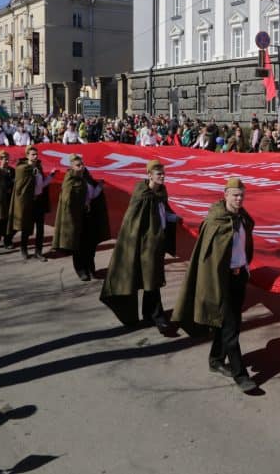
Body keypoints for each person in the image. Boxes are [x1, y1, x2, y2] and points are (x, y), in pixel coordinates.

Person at [174, 178, 256, 393]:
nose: (239, 199)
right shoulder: (216, 220)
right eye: (235, 195)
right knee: (231, 327)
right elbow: (209, 256)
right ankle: (241, 375)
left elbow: (244, 245)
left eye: (241, 195)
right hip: (221, 279)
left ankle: (216, 359)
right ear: (225, 194)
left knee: (231, 321)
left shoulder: (243, 219)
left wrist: (245, 266)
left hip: (239, 277)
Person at [101, 160, 177, 331]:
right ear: (149, 175)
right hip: (145, 245)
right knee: (152, 279)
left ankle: (149, 314)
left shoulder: (161, 193)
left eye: (163, 173)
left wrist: (174, 218)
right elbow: (133, 222)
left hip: (158, 243)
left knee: (153, 278)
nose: (162, 176)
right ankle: (158, 317)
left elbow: (164, 213)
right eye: (159, 174)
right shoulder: (142, 194)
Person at [53, 154, 110, 281]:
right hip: (76, 218)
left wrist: (99, 186)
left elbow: (93, 194)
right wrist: (81, 203)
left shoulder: (88, 178)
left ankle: (91, 268)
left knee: (91, 244)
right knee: (78, 245)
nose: (81, 167)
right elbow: (67, 200)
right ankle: (81, 270)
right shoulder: (70, 180)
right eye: (78, 165)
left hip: (90, 215)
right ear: (72, 167)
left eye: (82, 164)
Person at [8, 145, 56, 261]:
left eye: (36, 154)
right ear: (27, 155)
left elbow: (42, 185)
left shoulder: (38, 167)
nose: (35, 156)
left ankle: (38, 252)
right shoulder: (23, 168)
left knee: (40, 228)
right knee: (26, 227)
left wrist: (50, 176)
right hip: (28, 202)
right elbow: (21, 187)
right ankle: (24, 249)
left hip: (38, 201)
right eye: (33, 154)